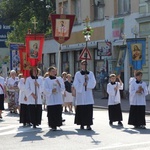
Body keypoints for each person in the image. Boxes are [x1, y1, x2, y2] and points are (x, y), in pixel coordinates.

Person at [73, 60, 96, 130]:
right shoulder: (77, 74)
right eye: (83, 64)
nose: (84, 66)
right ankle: (81, 124)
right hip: (81, 94)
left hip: (88, 94)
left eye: (85, 64)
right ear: (81, 65)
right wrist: (82, 84)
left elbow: (94, 82)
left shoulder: (91, 73)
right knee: (81, 110)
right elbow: (75, 84)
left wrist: (88, 80)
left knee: (88, 110)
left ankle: (88, 124)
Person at [44, 66, 65, 131]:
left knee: (58, 112)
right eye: (52, 71)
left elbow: (63, 89)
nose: (54, 72)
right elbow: (44, 89)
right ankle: (53, 125)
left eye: (55, 71)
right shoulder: (46, 80)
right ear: (49, 72)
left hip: (58, 98)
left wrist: (59, 84)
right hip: (51, 99)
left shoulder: (59, 79)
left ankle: (58, 123)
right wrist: (51, 90)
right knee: (52, 112)